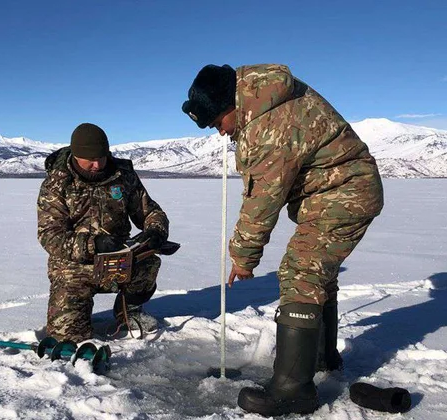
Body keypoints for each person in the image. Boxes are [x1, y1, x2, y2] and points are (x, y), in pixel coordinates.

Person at [182, 64, 384, 416]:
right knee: (317, 272)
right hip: (335, 193)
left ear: (230, 107)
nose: (220, 133)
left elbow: (262, 202)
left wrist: (243, 257)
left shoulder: (269, 127)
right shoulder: (265, 100)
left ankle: (293, 389)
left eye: (218, 124)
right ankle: (320, 359)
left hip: (345, 194)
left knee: (300, 273)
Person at [37, 123, 169, 342]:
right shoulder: (56, 184)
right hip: (74, 270)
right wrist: (93, 244)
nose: (97, 164)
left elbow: (150, 211)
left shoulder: (123, 176)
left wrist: (155, 230)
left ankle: (129, 311)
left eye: (102, 157)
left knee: (148, 263)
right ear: (76, 155)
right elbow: (50, 236)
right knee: (68, 339)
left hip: (118, 260)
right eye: (90, 159)